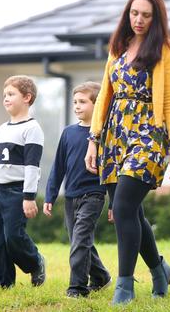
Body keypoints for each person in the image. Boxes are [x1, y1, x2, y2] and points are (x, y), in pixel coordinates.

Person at [84, 0, 170, 305]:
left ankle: (124, 286)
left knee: (123, 207)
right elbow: (104, 96)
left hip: (149, 133)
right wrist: (93, 141)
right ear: (128, 15)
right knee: (132, 212)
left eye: (146, 15)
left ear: (157, 18)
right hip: (115, 134)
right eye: (134, 13)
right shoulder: (118, 47)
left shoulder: (168, 50)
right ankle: (158, 268)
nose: (139, 20)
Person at [43, 81, 112, 298]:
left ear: (97, 104)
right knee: (80, 242)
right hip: (71, 197)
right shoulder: (68, 133)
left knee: (81, 239)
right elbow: (58, 167)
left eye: (82, 102)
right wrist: (50, 195)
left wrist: (115, 202)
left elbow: (112, 171)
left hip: (94, 194)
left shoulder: (104, 135)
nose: (77, 106)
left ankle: (77, 288)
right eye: (75, 102)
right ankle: (101, 277)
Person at [0, 75, 46, 288]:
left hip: (17, 192)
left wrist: (29, 197)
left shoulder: (32, 129)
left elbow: (32, 167)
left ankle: (35, 262)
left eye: (11, 94)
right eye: (4, 95)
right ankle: (3, 282)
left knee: (13, 237)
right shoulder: (2, 129)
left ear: (27, 97)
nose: (6, 99)